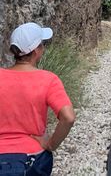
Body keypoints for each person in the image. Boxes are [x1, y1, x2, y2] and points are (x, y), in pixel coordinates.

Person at [0, 23, 75, 176]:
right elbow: (68, 117)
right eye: (42, 44)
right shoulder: (48, 80)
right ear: (36, 51)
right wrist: (51, 144)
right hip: (33, 159)